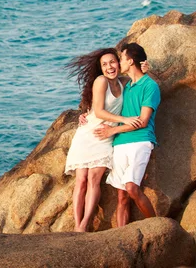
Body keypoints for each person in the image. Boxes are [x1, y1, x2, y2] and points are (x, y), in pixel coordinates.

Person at [63, 48, 144, 232]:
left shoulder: (123, 82)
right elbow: (98, 112)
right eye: (104, 64)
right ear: (101, 68)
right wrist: (124, 120)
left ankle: (85, 224)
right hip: (87, 134)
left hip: (106, 135)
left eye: (113, 62)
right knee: (81, 180)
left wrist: (145, 68)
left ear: (119, 63)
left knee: (94, 179)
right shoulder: (101, 81)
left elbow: (139, 78)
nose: (109, 67)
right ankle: (78, 226)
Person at [93, 42, 160, 227]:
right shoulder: (127, 86)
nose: (117, 63)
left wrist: (112, 130)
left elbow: (143, 121)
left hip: (140, 141)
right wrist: (85, 114)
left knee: (131, 187)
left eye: (121, 59)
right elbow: (104, 102)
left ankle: (157, 227)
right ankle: (123, 236)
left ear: (130, 61)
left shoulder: (150, 86)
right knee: (121, 196)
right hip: (120, 144)